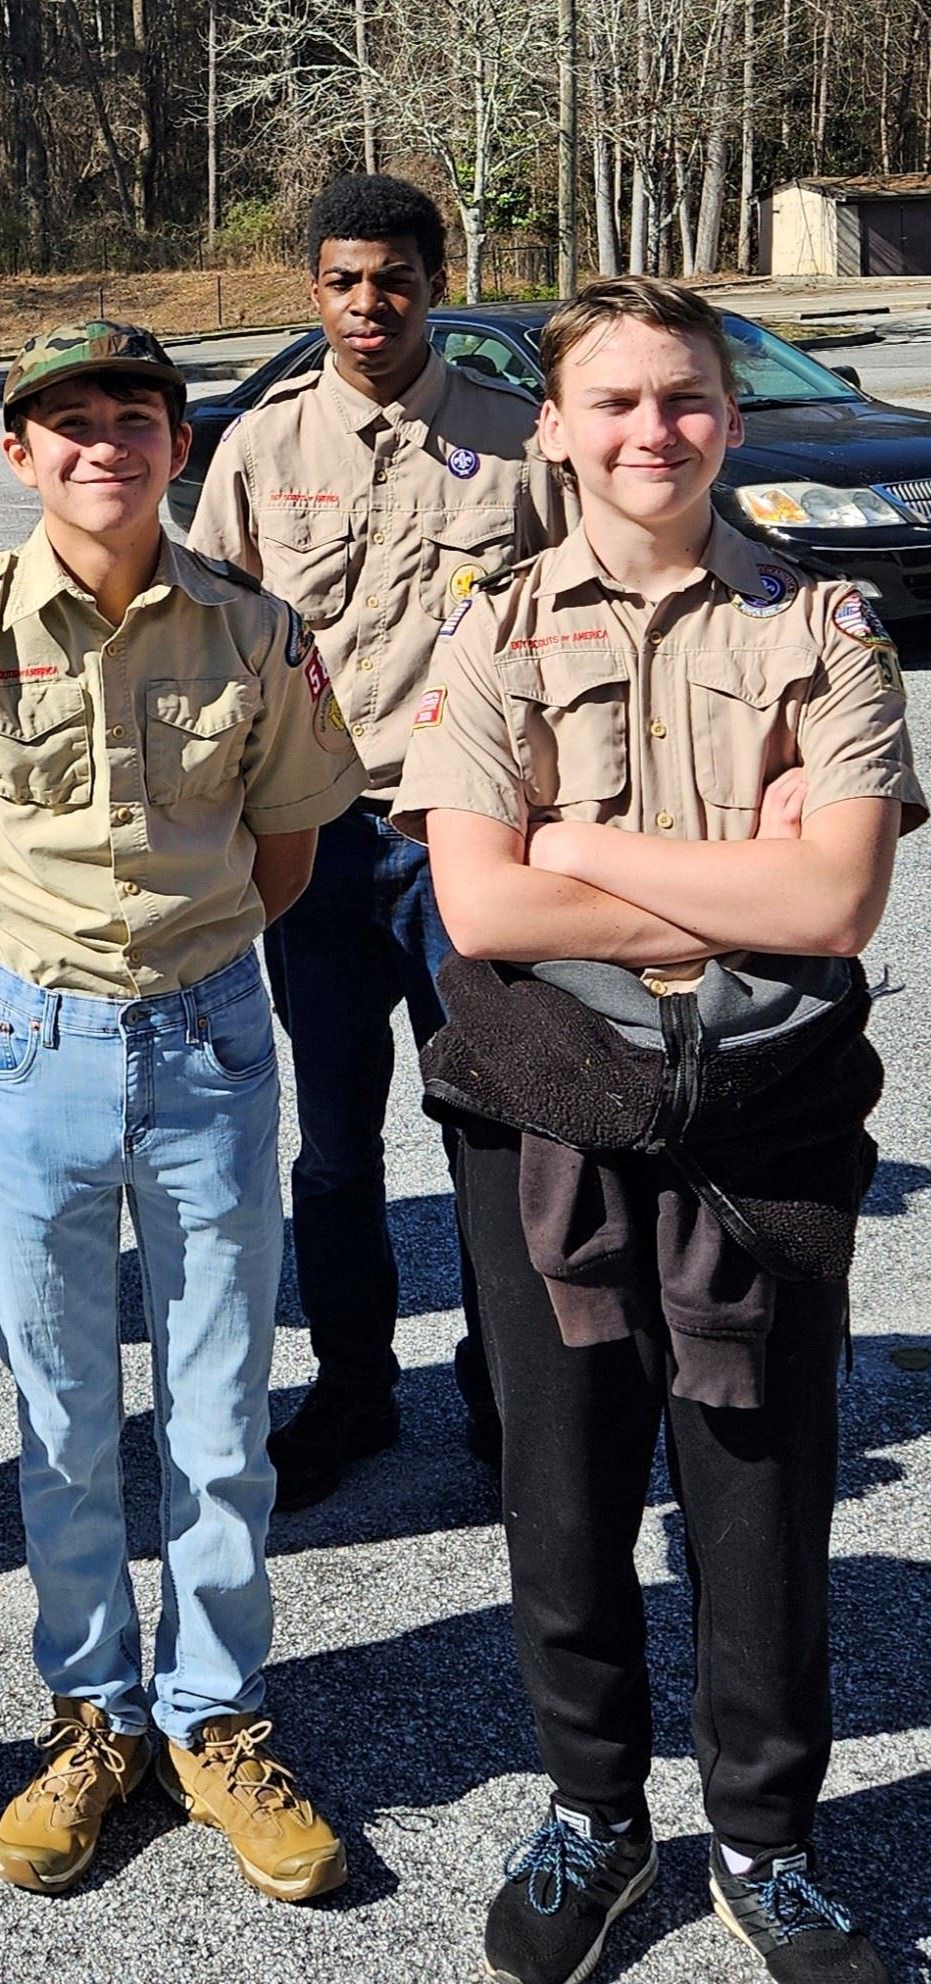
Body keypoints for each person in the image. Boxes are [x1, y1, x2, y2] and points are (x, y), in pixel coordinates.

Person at [393, 277, 920, 1984]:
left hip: (759, 1121)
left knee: (755, 1484)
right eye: (610, 401)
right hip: (542, 1114)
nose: (649, 431)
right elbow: (473, 907)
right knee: (560, 1488)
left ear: (726, 412)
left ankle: (760, 1838)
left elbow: (832, 895)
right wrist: (719, 886)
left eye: (679, 398)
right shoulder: (485, 628)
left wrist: (580, 848)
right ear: (551, 425)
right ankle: (591, 1811)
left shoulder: (819, 629)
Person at [0, 322, 366, 1898]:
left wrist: (181, 975)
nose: (101, 446)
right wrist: (36, 976)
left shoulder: (255, 634)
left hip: (207, 1046)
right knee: (62, 1415)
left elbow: (288, 853)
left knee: (217, 1412)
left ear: (176, 444)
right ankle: (93, 1718)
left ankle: (217, 1720)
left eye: (133, 415)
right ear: (19, 454)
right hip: (30, 1052)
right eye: (65, 424)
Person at [190, 172, 567, 1506]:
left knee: (493, 1123)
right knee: (336, 1138)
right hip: (318, 845)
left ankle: (510, 1391)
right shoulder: (259, 449)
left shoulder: (525, 441)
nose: (370, 304)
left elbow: (581, 635)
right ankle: (353, 1389)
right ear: (315, 288)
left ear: (435, 281)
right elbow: (211, 646)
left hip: (470, 837)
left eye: (396, 278)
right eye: (345, 280)